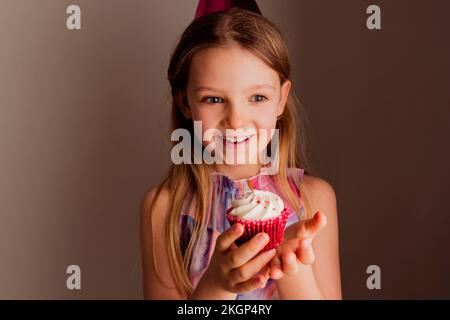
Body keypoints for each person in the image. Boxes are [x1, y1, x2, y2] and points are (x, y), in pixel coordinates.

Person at [140, 4, 341, 300]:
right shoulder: (164, 209)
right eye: (213, 99)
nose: (235, 121)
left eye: (257, 97)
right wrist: (218, 285)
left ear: (281, 98)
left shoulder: (313, 199)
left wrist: (288, 266)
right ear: (185, 103)